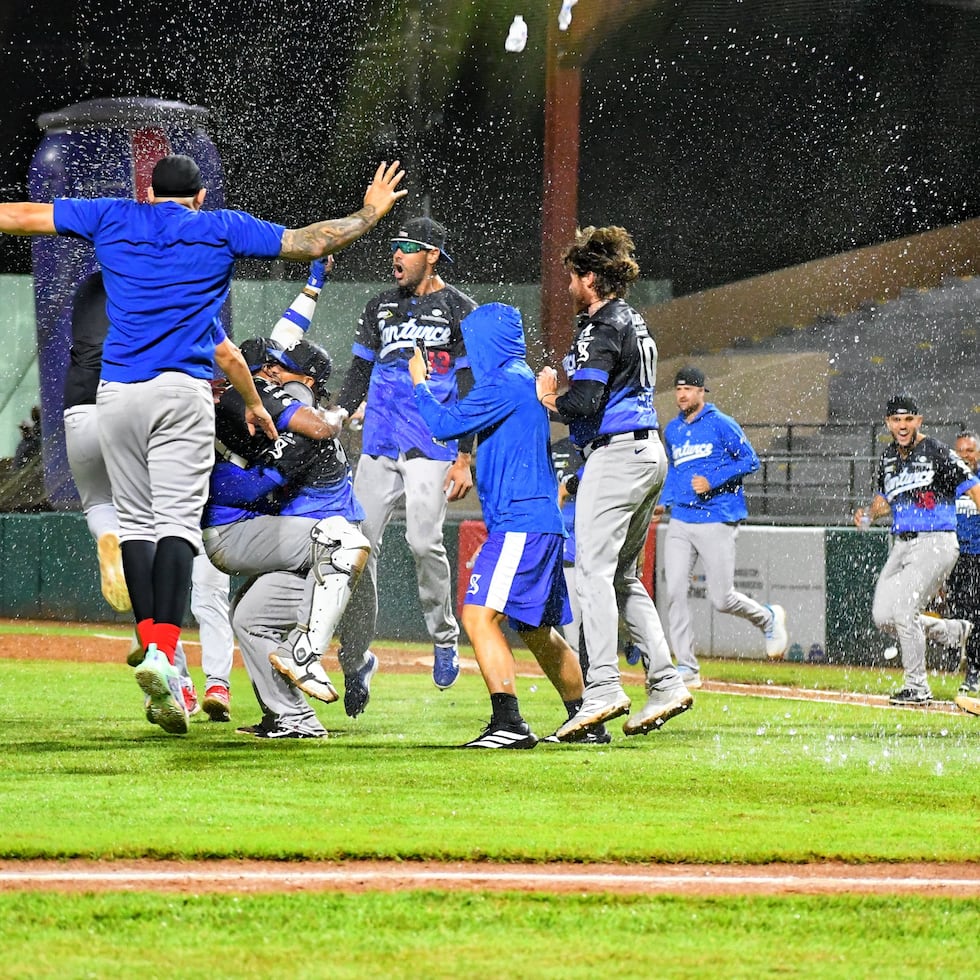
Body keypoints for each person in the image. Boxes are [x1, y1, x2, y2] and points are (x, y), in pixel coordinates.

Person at [0, 153, 406, 735]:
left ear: (148, 193)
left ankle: (155, 648)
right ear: (197, 196)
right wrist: (369, 211)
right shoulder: (218, 226)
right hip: (181, 393)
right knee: (177, 528)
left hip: (113, 395)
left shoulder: (113, 216)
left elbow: (18, 215)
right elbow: (313, 242)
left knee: (134, 525)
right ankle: (166, 652)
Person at [536, 225, 692, 740]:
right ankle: (667, 681)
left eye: (574, 278)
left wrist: (548, 395)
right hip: (649, 452)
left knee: (593, 574)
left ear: (591, 277)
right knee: (624, 577)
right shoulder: (635, 320)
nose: (569, 288)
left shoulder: (601, 326)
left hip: (619, 451)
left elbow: (583, 405)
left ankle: (602, 686)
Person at [408, 303, 585, 748]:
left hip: (520, 523)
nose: (471, 353)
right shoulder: (519, 379)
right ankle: (586, 719)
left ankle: (508, 723)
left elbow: (443, 425)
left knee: (477, 615)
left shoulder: (504, 382)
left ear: (490, 342)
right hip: (539, 522)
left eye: (474, 342)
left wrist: (418, 383)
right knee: (535, 629)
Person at [65, 269, 235, 723]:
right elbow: (217, 350)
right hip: (145, 403)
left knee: (107, 509)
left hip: (83, 406)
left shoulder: (90, 288)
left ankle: (108, 536)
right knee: (170, 530)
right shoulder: (172, 286)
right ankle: (172, 663)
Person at [336, 216, 476, 691]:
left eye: (409, 247)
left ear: (433, 254)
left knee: (422, 543)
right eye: (395, 246)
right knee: (354, 548)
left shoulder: (460, 308)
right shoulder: (379, 306)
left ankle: (442, 638)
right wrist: (337, 414)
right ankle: (356, 658)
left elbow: (469, 383)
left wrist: (464, 457)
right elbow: (358, 372)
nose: (397, 255)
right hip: (379, 441)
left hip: (432, 442)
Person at [657, 366, 788, 688]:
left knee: (721, 598)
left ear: (702, 392)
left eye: (689, 388)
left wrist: (713, 481)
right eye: (678, 389)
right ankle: (687, 667)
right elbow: (674, 471)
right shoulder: (673, 430)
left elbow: (750, 460)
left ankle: (767, 618)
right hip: (682, 519)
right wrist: (663, 499)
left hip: (717, 517)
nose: (682, 394)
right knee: (673, 592)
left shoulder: (721, 423)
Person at [854, 395, 980, 705]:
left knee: (904, 611)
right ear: (888, 424)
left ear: (919, 421)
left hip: (935, 540)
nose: (902, 425)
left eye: (908, 419)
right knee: (883, 615)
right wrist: (869, 514)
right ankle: (951, 633)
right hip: (903, 544)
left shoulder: (936, 451)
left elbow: (974, 489)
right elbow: (885, 501)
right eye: (896, 420)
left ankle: (917, 687)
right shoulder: (887, 458)